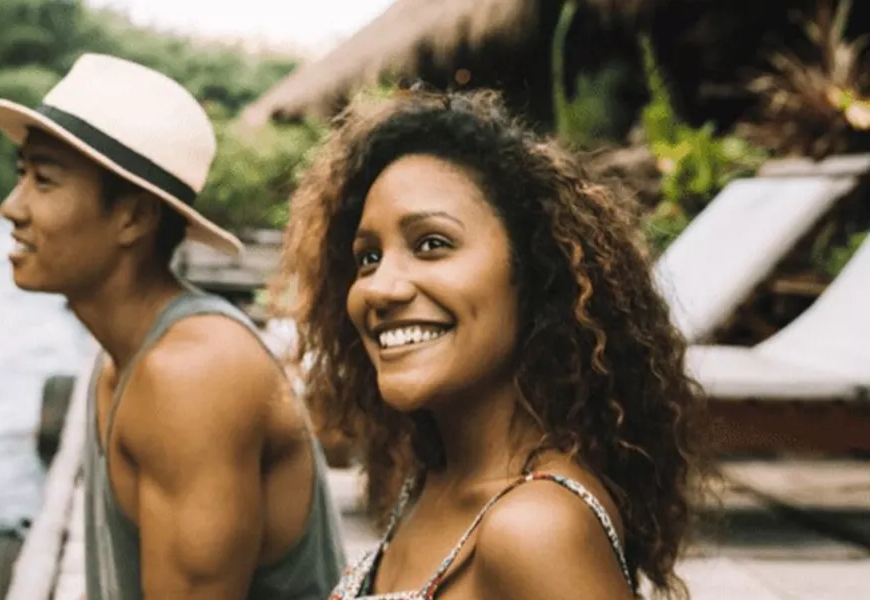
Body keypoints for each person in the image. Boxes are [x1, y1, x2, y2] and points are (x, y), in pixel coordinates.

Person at [276, 86, 710, 599]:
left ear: (533, 276)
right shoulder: (429, 479)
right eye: (368, 257)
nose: (380, 287)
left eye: (431, 244)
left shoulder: (535, 528)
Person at [0, 53, 346, 600]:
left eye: (44, 180)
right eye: (21, 174)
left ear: (134, 218)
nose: (11, 207)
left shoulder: (194, 375)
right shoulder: (121, 356)